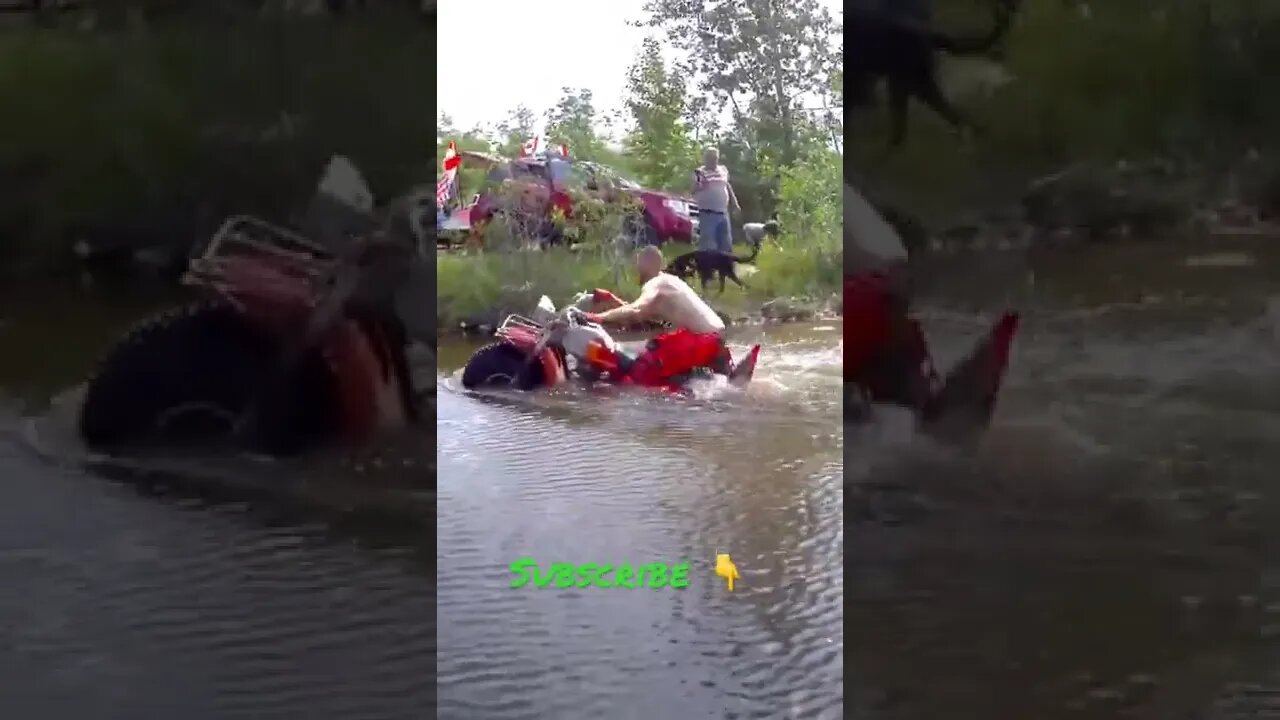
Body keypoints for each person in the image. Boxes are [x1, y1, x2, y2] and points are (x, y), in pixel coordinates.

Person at [583, 245, 733, 385]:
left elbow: (636, 309)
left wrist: (598, 317)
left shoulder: (656, 283)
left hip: (701, 341)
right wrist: (612, 301)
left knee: (642, 365)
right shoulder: (671, 282)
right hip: (718, 338)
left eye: (638, 264)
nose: (636, 269)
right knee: (661, 342)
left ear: (645, 264)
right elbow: (643, 316)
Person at [692, 146, 740, 254]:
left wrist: (735, 203)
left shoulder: (723, 170)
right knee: (708, 244)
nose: (713, 160)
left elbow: (727, 185)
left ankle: (725, 268)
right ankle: (707, 268)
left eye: (715, 158)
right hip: (707, 213)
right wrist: (699, 186)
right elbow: (694, 189)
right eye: (710, 158)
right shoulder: (700, 172)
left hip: (723, 213)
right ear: (705, 158)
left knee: (725, 243)